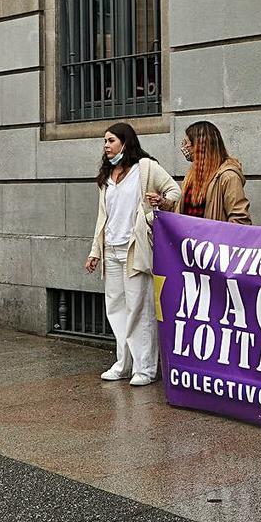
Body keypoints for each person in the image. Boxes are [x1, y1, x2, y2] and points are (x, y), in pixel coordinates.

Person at [83, 123, 181, 387]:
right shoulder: (106, 175)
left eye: (111, 140)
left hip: (135, 248)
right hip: (111, 249)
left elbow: (174, 191)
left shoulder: (146, 168)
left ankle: (145, 368)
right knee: (116, 308)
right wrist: (95, 251)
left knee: (140, 309)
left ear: (125, 142)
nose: (106, 145)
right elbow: (102, 217)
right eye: (104, 141)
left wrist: (158, 203)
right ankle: (123, 363)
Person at [174, 121, 252, 224]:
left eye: (187, 143)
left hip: (211, 239)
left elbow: (240, 219)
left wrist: (221, 238)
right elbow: (185, 209)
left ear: (199, 147)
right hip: (191, 238)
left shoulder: (228, 176)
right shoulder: (193, 174)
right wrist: (164, 203)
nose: (184, 147)